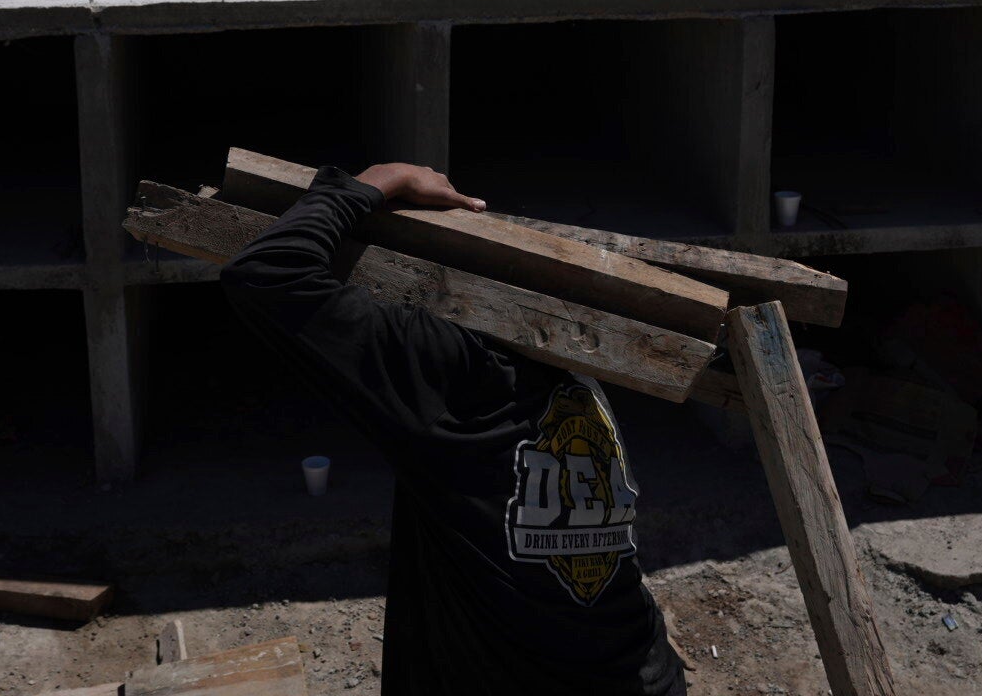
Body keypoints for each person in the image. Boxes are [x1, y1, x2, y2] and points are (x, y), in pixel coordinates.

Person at [218, 161, 687, 695]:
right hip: (644, 672)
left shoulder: (455, 374)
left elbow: (268, 273)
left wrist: (378, 181)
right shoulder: (577, 367)